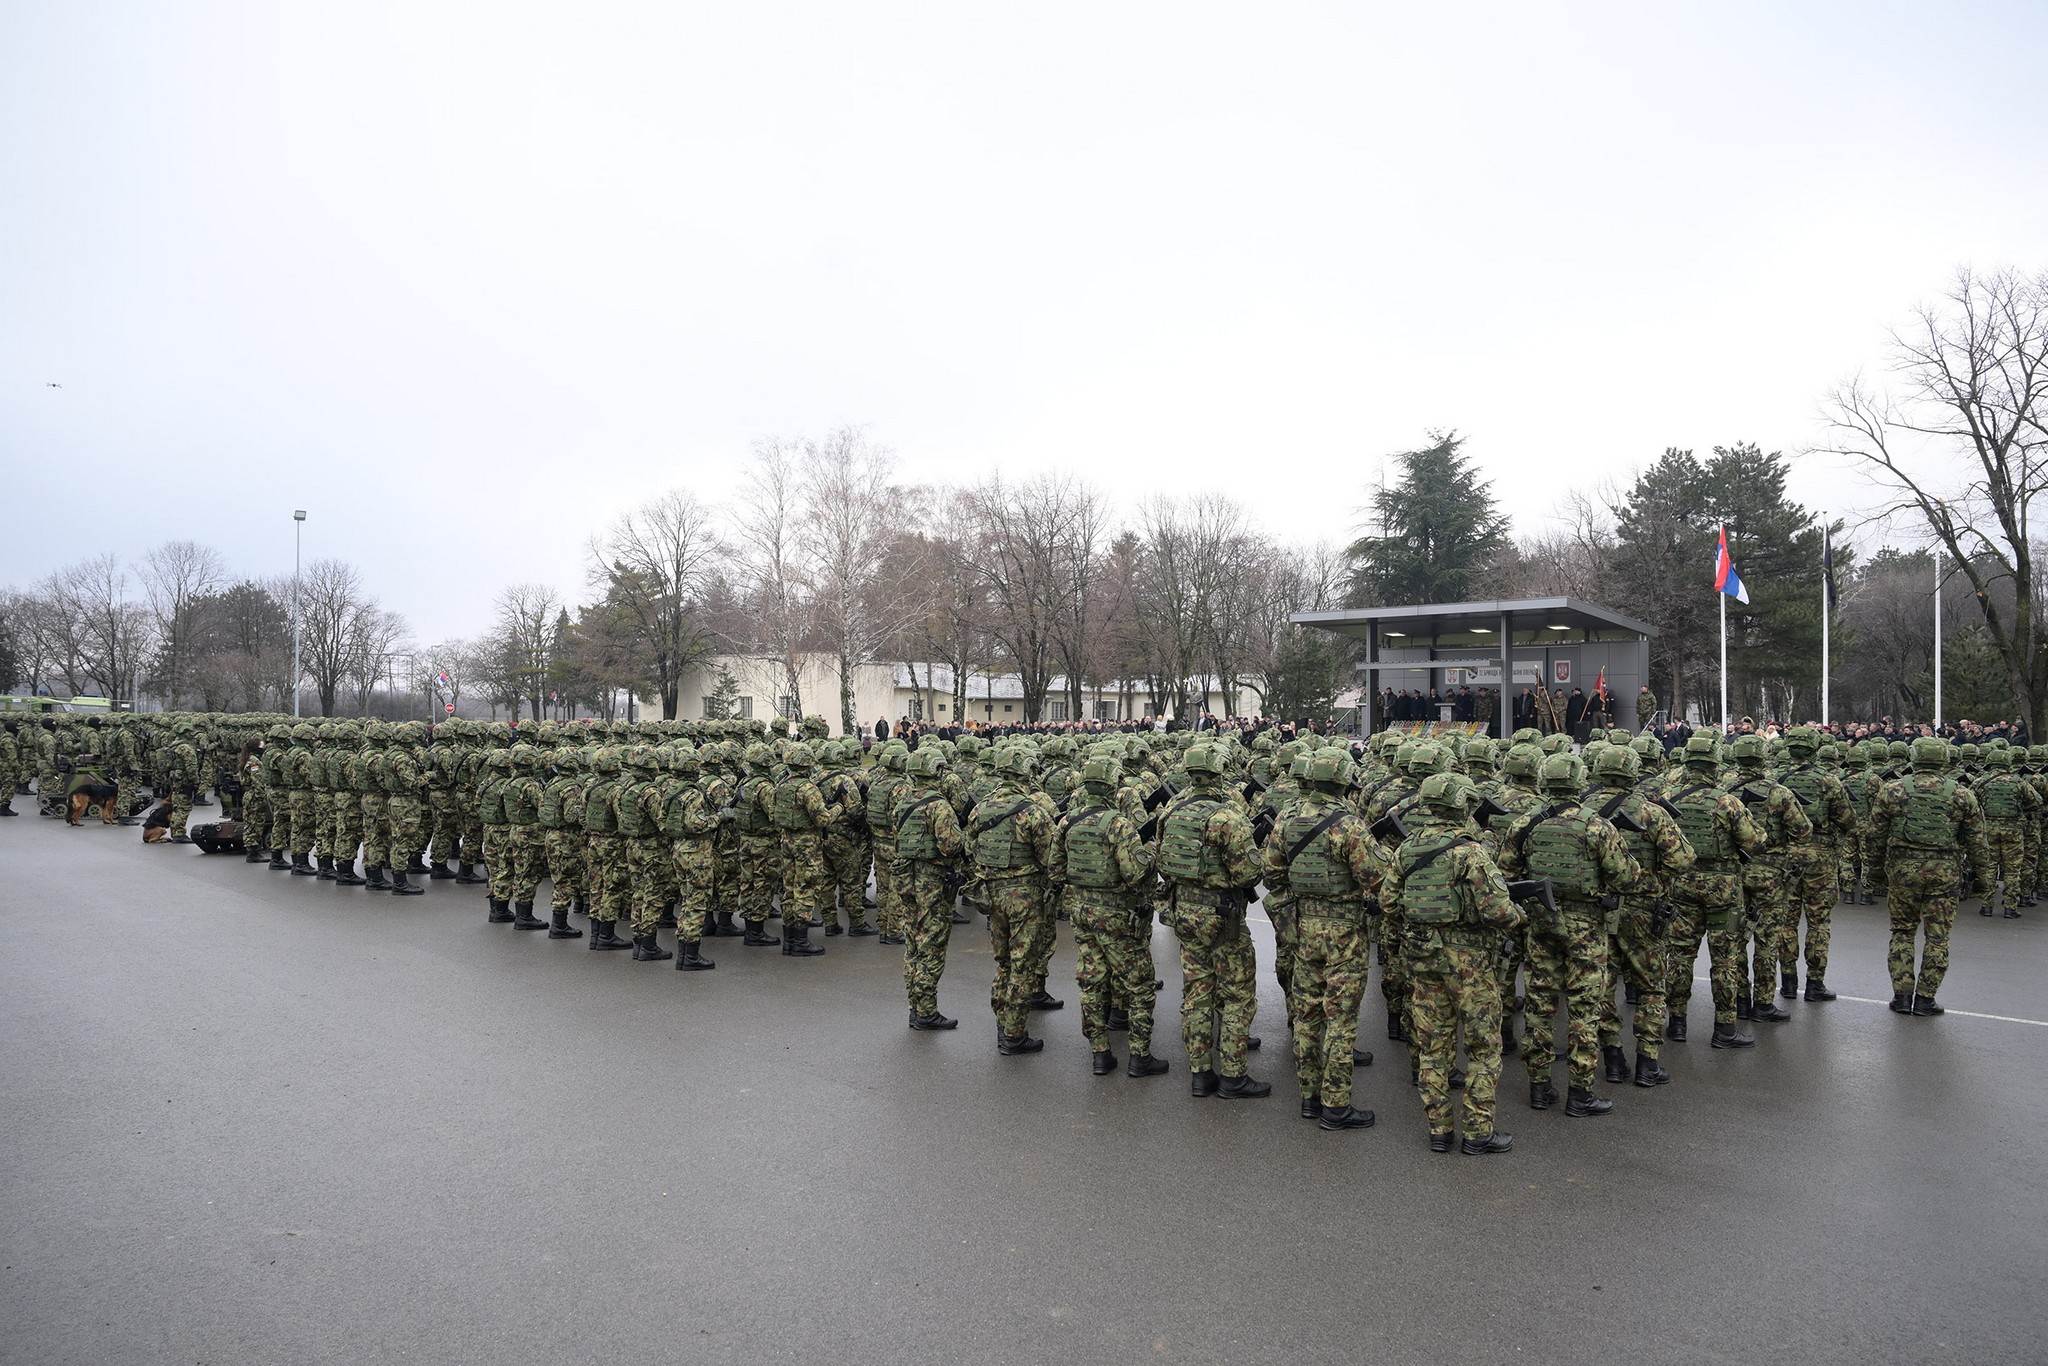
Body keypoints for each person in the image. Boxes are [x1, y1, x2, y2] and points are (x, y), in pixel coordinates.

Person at [1497, 752, 1640, 1117]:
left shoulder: (1525, 825)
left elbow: (1505, 875)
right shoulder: (1596, 826)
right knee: (1584, 1008)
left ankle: (1539, 1087)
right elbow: (1626, 878)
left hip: (1542, 923)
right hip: (1586, 928)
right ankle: (1580, 1093)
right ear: (1579, 782)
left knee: (1539, 1006)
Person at [1389, 770, 1525, 1154]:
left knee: (1433, 1048)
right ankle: (1478, 1133)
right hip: (1470, 964)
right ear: (1464, 805)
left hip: (1424, 959)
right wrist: (1520, 916)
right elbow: (1497, 911)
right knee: (1483, 1047)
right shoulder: (1471, 852)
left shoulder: (1407, 848)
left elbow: (1387, 903)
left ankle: (1439, 1131)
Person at [1261, 745, 1379, 1131]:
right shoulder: (1350, 825)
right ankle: (1336, 1105)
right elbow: (1375, 878)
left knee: (1307, 1014)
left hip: (1302, 928)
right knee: (1340, 1018)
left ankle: (1310, 1096)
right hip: (1344, 932)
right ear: (1344, 780)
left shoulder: (1287, 817)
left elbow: (1271, 873)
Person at [1158, 741, 1270, 1099]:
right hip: (1222, 918)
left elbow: (1162, 861)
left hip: (1184, 914)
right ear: (1220, 771)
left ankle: (1200, 1073)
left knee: (1196, 992)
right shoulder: (1227, 817)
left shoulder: (1171, 811)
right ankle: (1233, 1076)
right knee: (1236, 994)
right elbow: (1248, 874)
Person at [1050, 753, 1168, 1078]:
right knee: (1140, 984)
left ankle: (1100, 1054)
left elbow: (1055, 869)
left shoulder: (1067, 822)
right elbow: (1134, 874)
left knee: (1091, 981)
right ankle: (1140, 1057)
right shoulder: (1118, 824)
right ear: (1112, 785)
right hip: (1116, 914)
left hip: (1081, 912)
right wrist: (1150, 853)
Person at [1870, 737, 1991, 1015]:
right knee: (1937, 937)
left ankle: (1902, 996)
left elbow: (1874, 836)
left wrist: (1875, 871)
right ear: (1944, 759)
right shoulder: (1962, 794)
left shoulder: (1892, 790)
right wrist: (1983, 878)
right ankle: (1925, 999)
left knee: (1902, 932)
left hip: (1903, 871)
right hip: (1944, 873)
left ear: (1914, 757)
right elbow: (1977, 843)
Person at [966, 746, 1060, 1054]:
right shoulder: (1033, 812)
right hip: (1024, 898)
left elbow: (969, 848)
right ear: (1026, 772)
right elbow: (1051, 860)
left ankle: (1002, 1023)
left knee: (1003, 961)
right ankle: (1014, 1034)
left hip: (992, 896)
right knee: (1023, 965)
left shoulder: (981, 808)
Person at [895, 747, 967, 1029]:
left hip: (907, 879)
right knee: (932, 946)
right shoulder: (939, 806)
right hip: (932, 882)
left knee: (912, 945)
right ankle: (926, 1012)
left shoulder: (903, 802)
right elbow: (950, 846)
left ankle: (915, 1007)